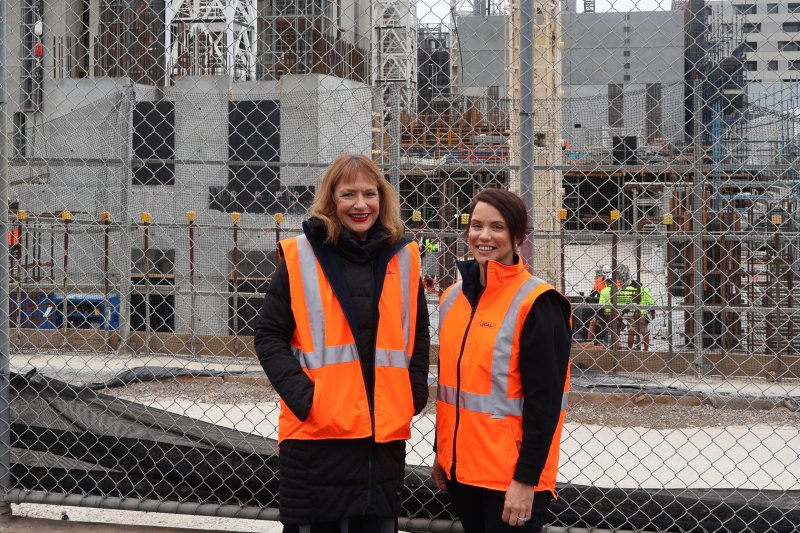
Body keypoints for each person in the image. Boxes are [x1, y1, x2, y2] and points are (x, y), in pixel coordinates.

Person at [254, 153, 431, 533]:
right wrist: (306, 397)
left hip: (379, 444)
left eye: (370, 193)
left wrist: (414, 392)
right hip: (318, 438)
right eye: (348, 194)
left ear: (383, 199)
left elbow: (417, 333)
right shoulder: (302, 256)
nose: (361, 204)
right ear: (331, 200)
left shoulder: (404, 258)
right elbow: (268, 336)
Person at [431, 188, 572, 532]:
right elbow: (454, 386)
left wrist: (526, 481)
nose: (484, 236)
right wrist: (442, 453)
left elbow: (545, 405)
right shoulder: (452, 299)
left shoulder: (538, 303)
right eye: (476, 225)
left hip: (510, 481)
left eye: (497, 227)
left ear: (517, 236)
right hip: (461, 472)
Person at [619, 272, 655, 351]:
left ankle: (629, 349)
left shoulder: (628, 289)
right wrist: (653, 312)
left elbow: (625, 302)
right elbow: (651, 302)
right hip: (642, 313)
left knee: (631, 332)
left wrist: (622, 312)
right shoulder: (644, 289)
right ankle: (646, 349)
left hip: (631, 313)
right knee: (645, 332)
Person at [586, 265, 612, 343]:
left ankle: (590, 342)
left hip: (603, 309)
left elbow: (592, 294)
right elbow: (593, 293)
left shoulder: (601, 285)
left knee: (592, 323)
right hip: (614, 310)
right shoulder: (599, 281)